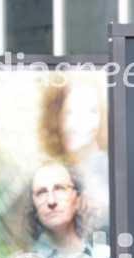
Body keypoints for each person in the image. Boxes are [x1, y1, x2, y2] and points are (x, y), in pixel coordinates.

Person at [39, 76, 108, 233]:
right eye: (70, 112)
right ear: (56, 116)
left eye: (91, 112)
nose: (80, 123)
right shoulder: (50, 173)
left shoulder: (112, 168)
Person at [26, 162, 98, 258]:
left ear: (77, 199)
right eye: (41, 192)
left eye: (60, 189)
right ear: (33, 205)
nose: (51, 201)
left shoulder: (102, 254)